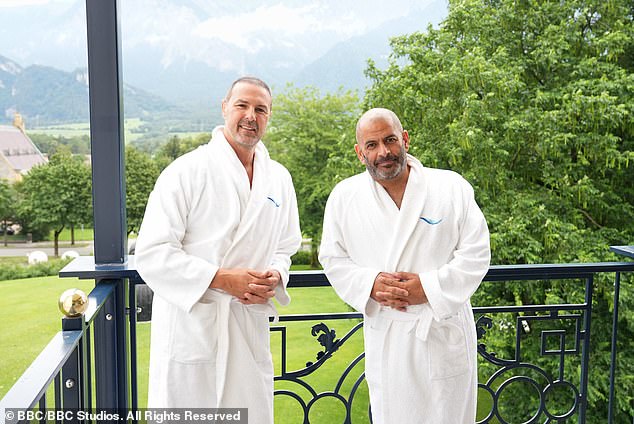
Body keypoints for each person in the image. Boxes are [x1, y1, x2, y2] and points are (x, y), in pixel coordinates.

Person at [135, 76, 301, 422]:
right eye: (242, 105)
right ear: (224, 107)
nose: (250, 116)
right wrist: (222, 279)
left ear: (269, 117)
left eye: (261, 109)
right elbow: (151, 253)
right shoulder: (185, 172)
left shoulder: (279, 179)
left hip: (246, 324)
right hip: (194, 323)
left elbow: (286, 245)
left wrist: (275, 274)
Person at [319, 108, 490, 423]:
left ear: (405, 139)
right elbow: (332, 257)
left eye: (390, 140)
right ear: (360, 153)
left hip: (441, 330)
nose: (383, 152)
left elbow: (476, 252)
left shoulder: (451, 188)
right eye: (371, 145)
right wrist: (370, 283)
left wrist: (427, 288)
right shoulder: (344, 197)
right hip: (389, 335)